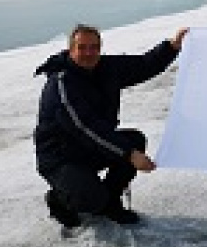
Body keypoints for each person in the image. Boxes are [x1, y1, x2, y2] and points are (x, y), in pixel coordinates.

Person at [33, 24, 188, 226]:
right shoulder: (61, 83)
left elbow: (144, 65)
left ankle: (111, 202)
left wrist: (173, 46)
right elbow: (84, 127)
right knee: (92, 198)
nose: (89, 53)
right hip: (60, 157)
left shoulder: (106, 68)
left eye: (94, 47)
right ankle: (60, 200)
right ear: (71, 49)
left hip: (90, 147)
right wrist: (128, 154)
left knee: (135, 140)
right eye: (82, 47)